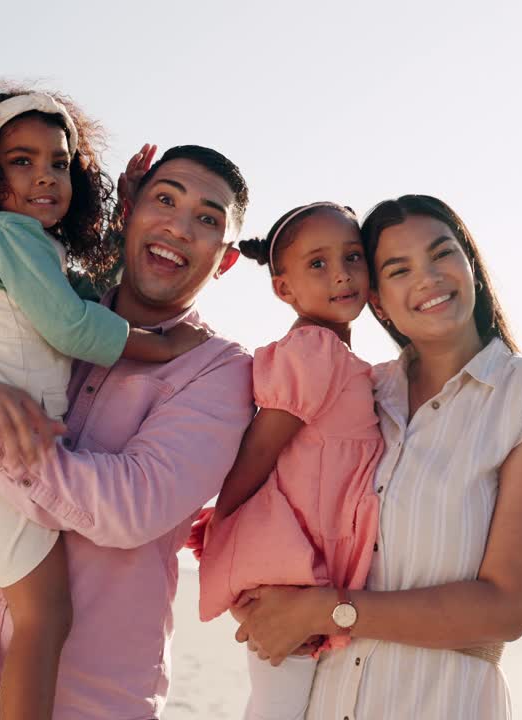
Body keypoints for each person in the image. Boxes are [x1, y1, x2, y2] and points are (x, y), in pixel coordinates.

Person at [0, 144, 256, 720]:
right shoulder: (51, 305)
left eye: (207, 219)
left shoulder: (218, 370)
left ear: (226, 258)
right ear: (126, 213)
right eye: (164, 200)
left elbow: (128, 506)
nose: (179, 228)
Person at [230, 195, 522, 720]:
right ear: (377, 300)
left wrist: (323, 611)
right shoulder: (356, 390)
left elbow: (508, 608)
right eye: (398, 269)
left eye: (441, 254)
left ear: (470, 264)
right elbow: (283, 494)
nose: (427, 278)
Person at [184, 202, 383, 720]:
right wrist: (224, 533)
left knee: (289, 703)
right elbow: (258, 450)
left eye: (353, 257)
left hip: (305, 556)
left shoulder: (342, 358)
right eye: (317, 264)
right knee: (280, 706)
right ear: (283, 288)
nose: (341, 273)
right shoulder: (315, 350)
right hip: (290, 562)